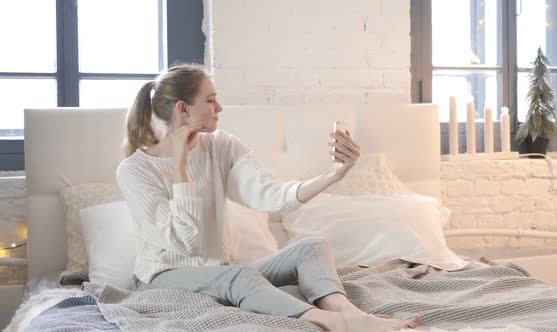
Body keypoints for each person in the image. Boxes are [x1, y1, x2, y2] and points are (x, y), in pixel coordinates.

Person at [116, 63, 420, 331]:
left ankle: (346, 312)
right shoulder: (134, 171)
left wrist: (334, 174)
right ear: (183, 109)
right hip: (162, 279)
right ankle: (333, 323)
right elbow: (187, 242)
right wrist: (180, 165)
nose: (219, 108)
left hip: (221, 272)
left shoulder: (220, 146)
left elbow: (272, 196)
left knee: (311, 247)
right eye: (210, 100)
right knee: (237, 277)